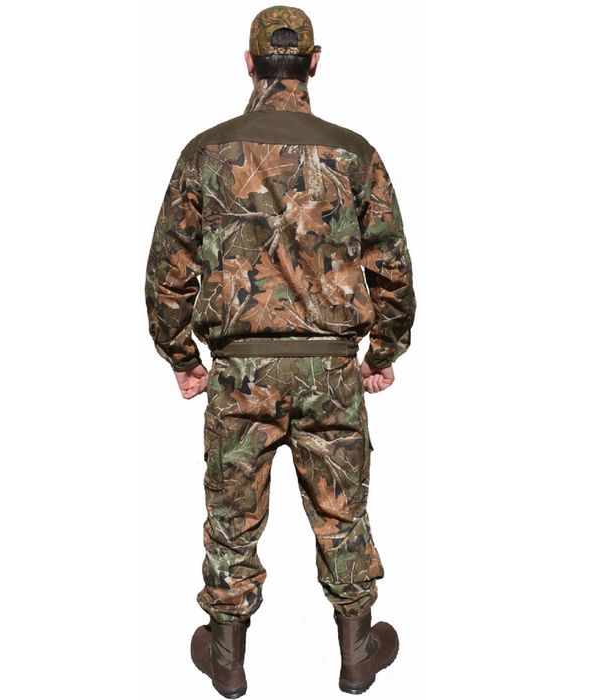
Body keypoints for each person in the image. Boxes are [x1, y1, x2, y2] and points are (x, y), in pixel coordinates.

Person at [144, 5, 416, 697]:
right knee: (342, 512)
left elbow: (168, 269)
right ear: (314, 62)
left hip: (241, 374)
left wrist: (183, 358)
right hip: (331, 371)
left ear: (249, 63)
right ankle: (357, 653)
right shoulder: (353, 154)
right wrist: (383, 351)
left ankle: (227, 658)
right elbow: (391, 265)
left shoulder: (205, 153)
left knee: (232, 516)